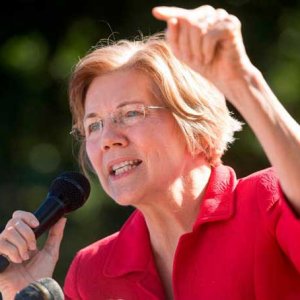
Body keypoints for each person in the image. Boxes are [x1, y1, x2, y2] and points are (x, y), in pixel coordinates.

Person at [0, 4, 300, 300]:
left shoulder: (269, 200)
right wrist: (25, 293)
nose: (107, 139)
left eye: (130, 113)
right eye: (94, 126)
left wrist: (243, 80)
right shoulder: (91, 272)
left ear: (192, 119)